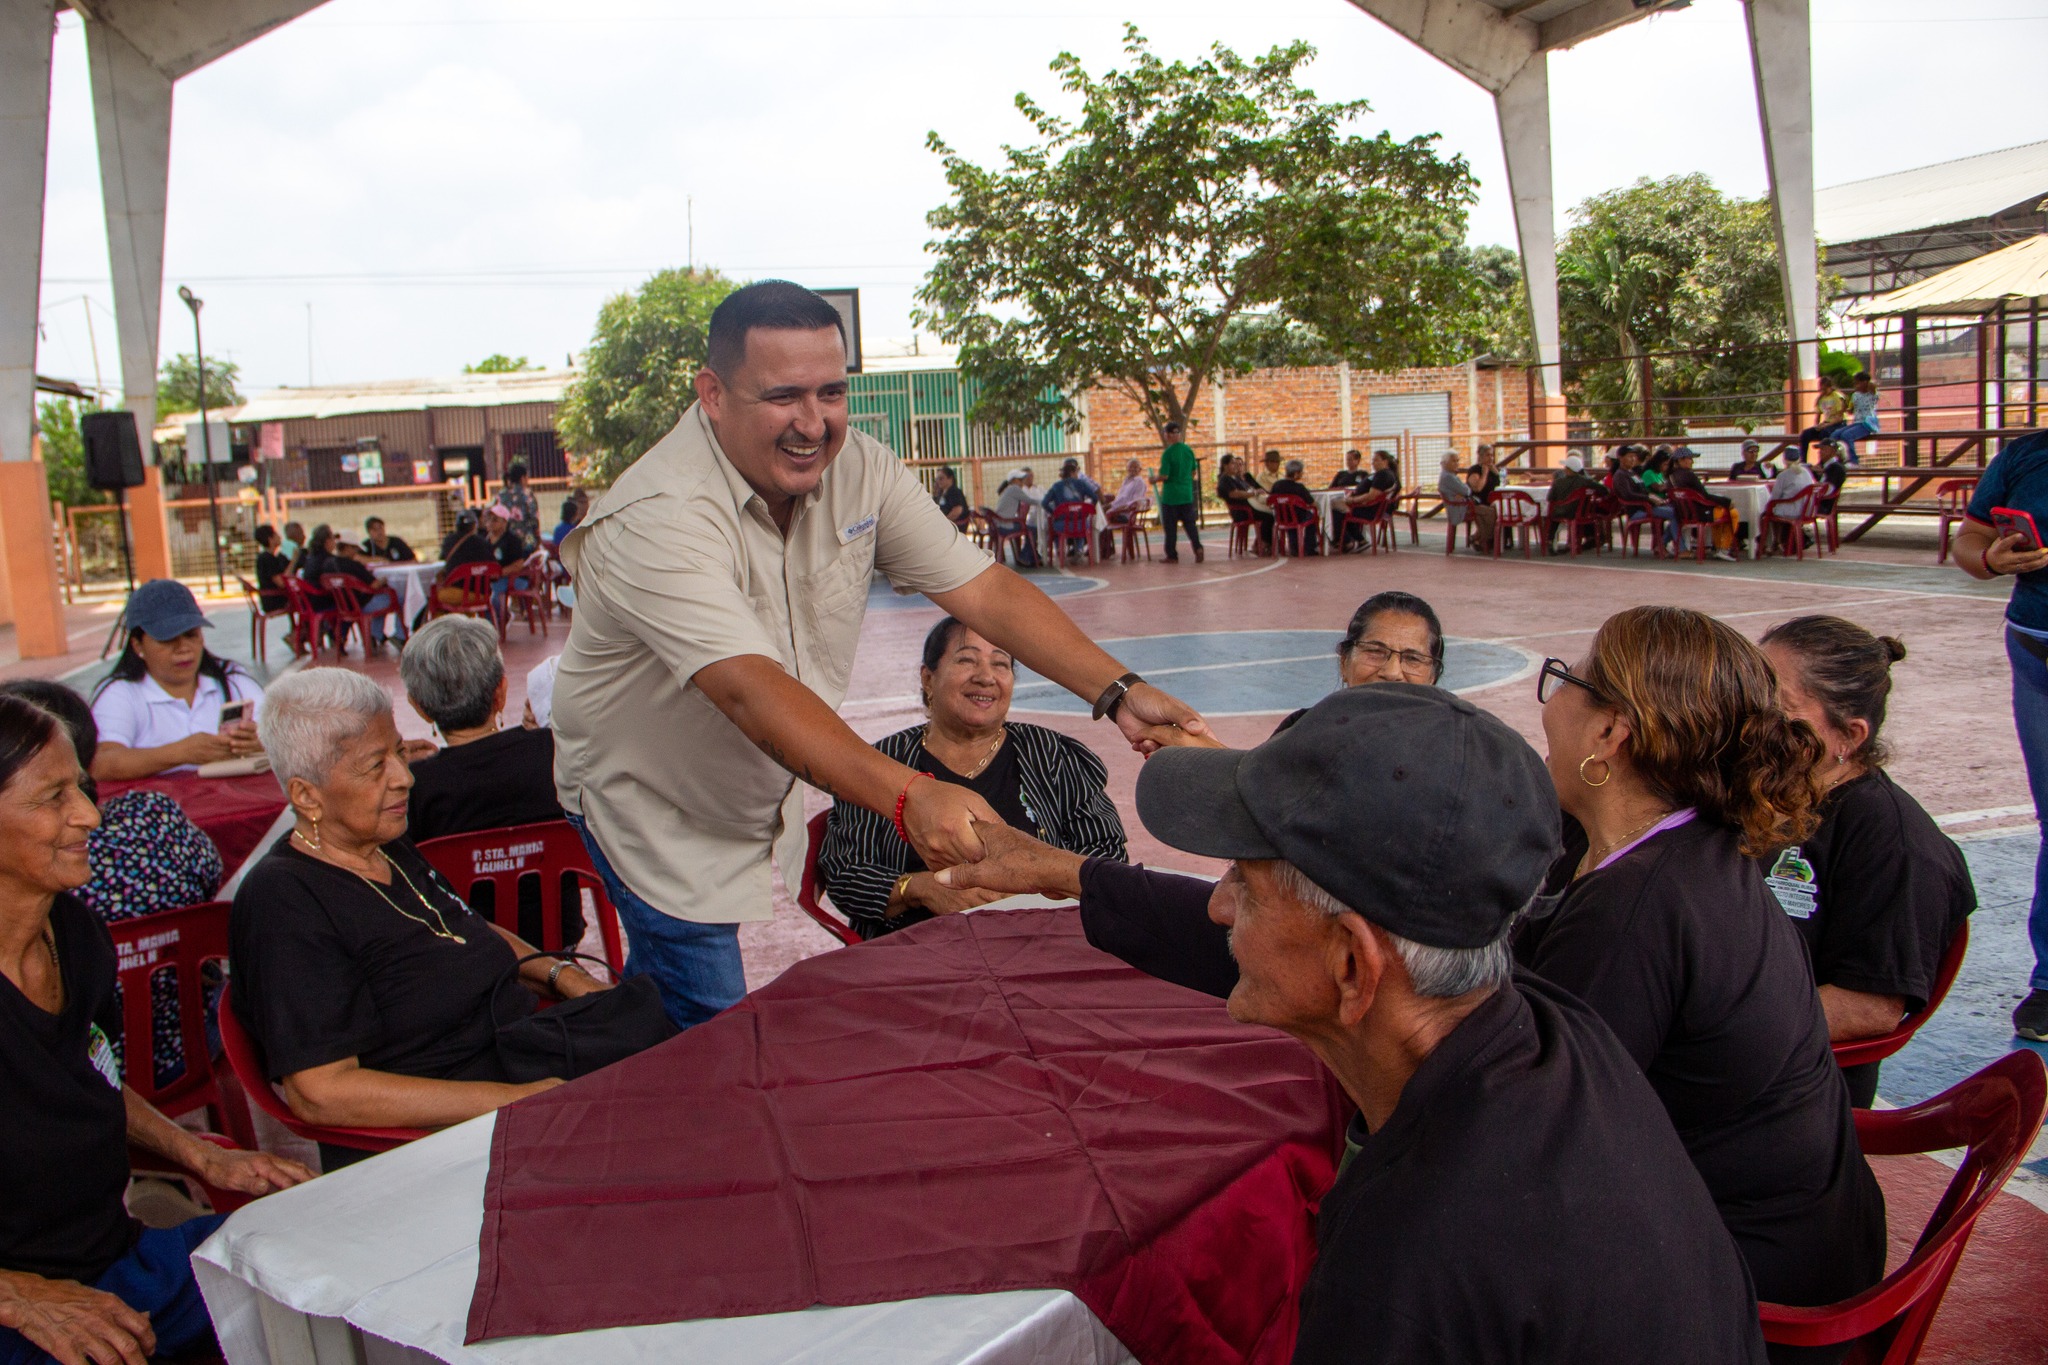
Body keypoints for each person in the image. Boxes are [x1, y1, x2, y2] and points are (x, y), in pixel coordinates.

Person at [936, 686, 1770, 1364]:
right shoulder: (1547, 1028)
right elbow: (1265, 940)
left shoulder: (1410, 1262)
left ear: (1350, 969)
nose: (1221, 905)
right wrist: (1068, 873)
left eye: (1244, 882)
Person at [549, 281, 1206, 1030]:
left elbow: (984, 590)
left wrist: (1119, 691)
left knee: (673, 1014)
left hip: (748, 772)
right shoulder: (658, 517)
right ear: (713, 395)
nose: (813, 423)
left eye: (831, 392)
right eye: (782, 396)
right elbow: (748, 689)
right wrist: (910, 796)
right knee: (709, 1022)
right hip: (651, 796)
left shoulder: (859, 469)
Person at [1523, 607, 1885, 1320]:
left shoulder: (1633, 910)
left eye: (1566, 680)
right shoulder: (1698, 842)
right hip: (1812, 1240)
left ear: (1611, 733)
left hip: (1748, 1288)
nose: (1550, 703)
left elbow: (1534, 1135)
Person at [231, 669, 673, 1170]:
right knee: (659, 1121)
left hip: (517, 1046)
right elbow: (321, 1092)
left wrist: (566, 976)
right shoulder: (284, 901)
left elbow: (465, 927)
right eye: (376, 766)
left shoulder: (382, 843)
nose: (405, 777)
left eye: (400, 753)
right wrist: (519, 1099)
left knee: (668, 1040)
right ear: (307, 795)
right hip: (453, 1119)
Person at [0, 693, 312, 1365]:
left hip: (119, 1265)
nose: (89, 815)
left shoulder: (73, 934)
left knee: (307, 1262)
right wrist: (18, 1296)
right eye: (53, 798)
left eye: (80, 788)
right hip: (22, 1310)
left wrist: (202, 1156)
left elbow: (93, 1081)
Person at [1759, 617, 1975, 1107]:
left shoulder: (1894, 843)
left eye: (1778, 707)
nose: (1747, 719)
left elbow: (1868, 1006)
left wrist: (1716, 1028)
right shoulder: (1753, 795)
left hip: (1787, 1094)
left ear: (1849, 736)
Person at [817, 617, 1126, 939]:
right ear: (928, 678)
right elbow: (845, 874)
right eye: (966, 660)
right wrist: (921, 889)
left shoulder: (1052, 754)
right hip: (914, 948)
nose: (986, 677)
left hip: (1041, 941)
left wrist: (1041, 882)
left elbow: (1107, 853)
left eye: (1000, 664)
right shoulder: (882, 764)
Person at [1951, 429, 2048, 1041]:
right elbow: (1969, 538)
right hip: (2036, 652)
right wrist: (1991, 559)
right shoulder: (2024, 454)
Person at [89, 580, 264, 781]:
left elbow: (289, 739)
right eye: (167, 639)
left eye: (191, 635)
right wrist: (181, 753)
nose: (183, 648)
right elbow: (102, 764)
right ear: (138, 645)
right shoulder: (120, 694)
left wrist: (260, 742)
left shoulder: (234, 681)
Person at [299, 523, 401, 648]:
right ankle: (398, 636)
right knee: (398, 597)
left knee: (376, 600)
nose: (356, 552)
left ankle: (374, 634)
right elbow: (374, 585)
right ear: (347, 547)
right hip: (356, 605)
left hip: (340, 604)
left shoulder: (326, 563)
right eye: (355, 549)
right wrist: (385, 579)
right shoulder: (352, 565)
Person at [1666, 447, 1739, 560]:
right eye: (1690, 459)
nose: (1692, 461)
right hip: (1700, 513)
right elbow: (1705, 497)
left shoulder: (1670, 477)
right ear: (1680, 460)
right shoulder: (1689, 475)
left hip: (1683, 514)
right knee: (1732, 513)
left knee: (1720, 510)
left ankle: (1720, 547)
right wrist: (1727, 502)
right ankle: (1723, 548)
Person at [1152, 421, 1203, 564]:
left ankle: (1172, 555)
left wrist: (1154, 479)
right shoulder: (1188, 450)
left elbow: (1165, 475)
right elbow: (1193, 471)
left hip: (1171, 496)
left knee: (1170, 528)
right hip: (1186, 494)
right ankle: (1198, 547)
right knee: (1190, 524)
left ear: (1167, 435)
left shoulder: (1168, 453)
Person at [1338, 450, 1399, 552]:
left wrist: (1352, 500)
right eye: (1372, 460)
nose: (1373, 463)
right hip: (1361, 505)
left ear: (1385, 462)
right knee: (1338, 508)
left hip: (1368, 509)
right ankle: (1357, 540)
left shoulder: (1384, 475)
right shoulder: (1379, 474)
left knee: (1337, 512)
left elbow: (1371, 495)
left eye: (1376, 460)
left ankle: (1346, 542)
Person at [1544, 453, 1602, 554]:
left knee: (1552, 514)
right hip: (1582, 512)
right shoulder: (1586, 481)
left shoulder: (1558, 482)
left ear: (1568, 469)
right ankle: (1586, 539)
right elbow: (1604, 489)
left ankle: (1549, 540)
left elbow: (1550, 498)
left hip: (1562, 512)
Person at [1217, 454, 1271, 553]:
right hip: (1241, 511)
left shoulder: (1236, 478)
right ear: (1225, 465)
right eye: (1233, 463)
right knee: (1269, 517)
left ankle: (1267, 543)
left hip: (1250, 507)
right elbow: (1234, 494)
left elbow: (1249, 488)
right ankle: (1262, 545)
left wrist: (1257, 492)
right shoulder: (1225, 480)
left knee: (1272, 513)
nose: (1236, 466)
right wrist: (1253, 493)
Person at [1765, 455, 1817, 554]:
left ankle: (1775, 541)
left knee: (1769, 512)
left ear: (1784, 460)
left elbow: (1775, 497)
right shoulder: (1807, 473)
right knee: (1774, 508)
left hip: (1790, 512)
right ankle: (1778, 541)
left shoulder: (1783, 475)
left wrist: (1768, 505)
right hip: (1806, 511)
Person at [1268, 458, 1319, 554]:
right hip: (1298, 516)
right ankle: (1309, 547)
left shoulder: (1276, 485)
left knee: (1291, 517)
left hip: (1280, 517)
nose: (1302, 474)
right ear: (1296, 474)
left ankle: (1294, 547)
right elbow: (1312, 503)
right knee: (1312, 517)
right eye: (1301, 472)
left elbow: (1270, 500)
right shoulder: (1299, 487)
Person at [991, 468, 1040, 567]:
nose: (1022, 482)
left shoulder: (1007, 489)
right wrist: (1045, 502)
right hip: (1006, 525)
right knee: (1033, 530)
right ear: (1013, 480)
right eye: (1020, 480)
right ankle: (1025, 557)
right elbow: (1030, 501)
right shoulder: (1014, 489)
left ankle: (1031, 556)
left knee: (1027, 527)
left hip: (999, 524)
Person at [1833, 373, 1880, 464]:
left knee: (1847, 435)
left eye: (1857, 383)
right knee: (1835, 434)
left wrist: (1868, 383)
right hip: (1857, 422)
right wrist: (1845, 406)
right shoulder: (1855, 395)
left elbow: (1873, 387)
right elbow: (1851, 410)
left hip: (1867, 423)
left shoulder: (1872, 394)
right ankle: (1838, 459)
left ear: (1865, 382)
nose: (1855, 386)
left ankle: (1853, 460)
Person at [1798, 375, 1849, 457]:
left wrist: (1826, 425)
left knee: (1825, 433)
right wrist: (1817, 426)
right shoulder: (1821, 399)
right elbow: (1818, 415)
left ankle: (1825, 458)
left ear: (1830, 387)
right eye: (1821, 389)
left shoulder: (1837, 397)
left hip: (1838, 423)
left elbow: (1840, 417)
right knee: (1806, 434)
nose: (1823, 391)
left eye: (1825, 389)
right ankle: (1803, 459)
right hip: (1827, 423)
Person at [496, 459, 542, 544]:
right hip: (526, 540)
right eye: (527, 477)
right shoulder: (528, 494)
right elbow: (534, 519)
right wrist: (538, 539)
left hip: (506, 540)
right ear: (522, 478)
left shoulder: (501, 495)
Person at [253, 524, 292, 613]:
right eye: (276, 534)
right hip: (274, 600)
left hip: (269, 599)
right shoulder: (268, 559)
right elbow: (282, 583)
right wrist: (294, 561)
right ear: (270, 539)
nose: (280, 537)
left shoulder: (265, 557)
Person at [930, 466, 971, 530]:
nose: (938, 481)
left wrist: (944, 522)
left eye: (941, 479)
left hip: (956, 525)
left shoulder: (954, 492)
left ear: (950, 478)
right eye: (937, 479)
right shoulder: (941, 492)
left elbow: (957, 510)